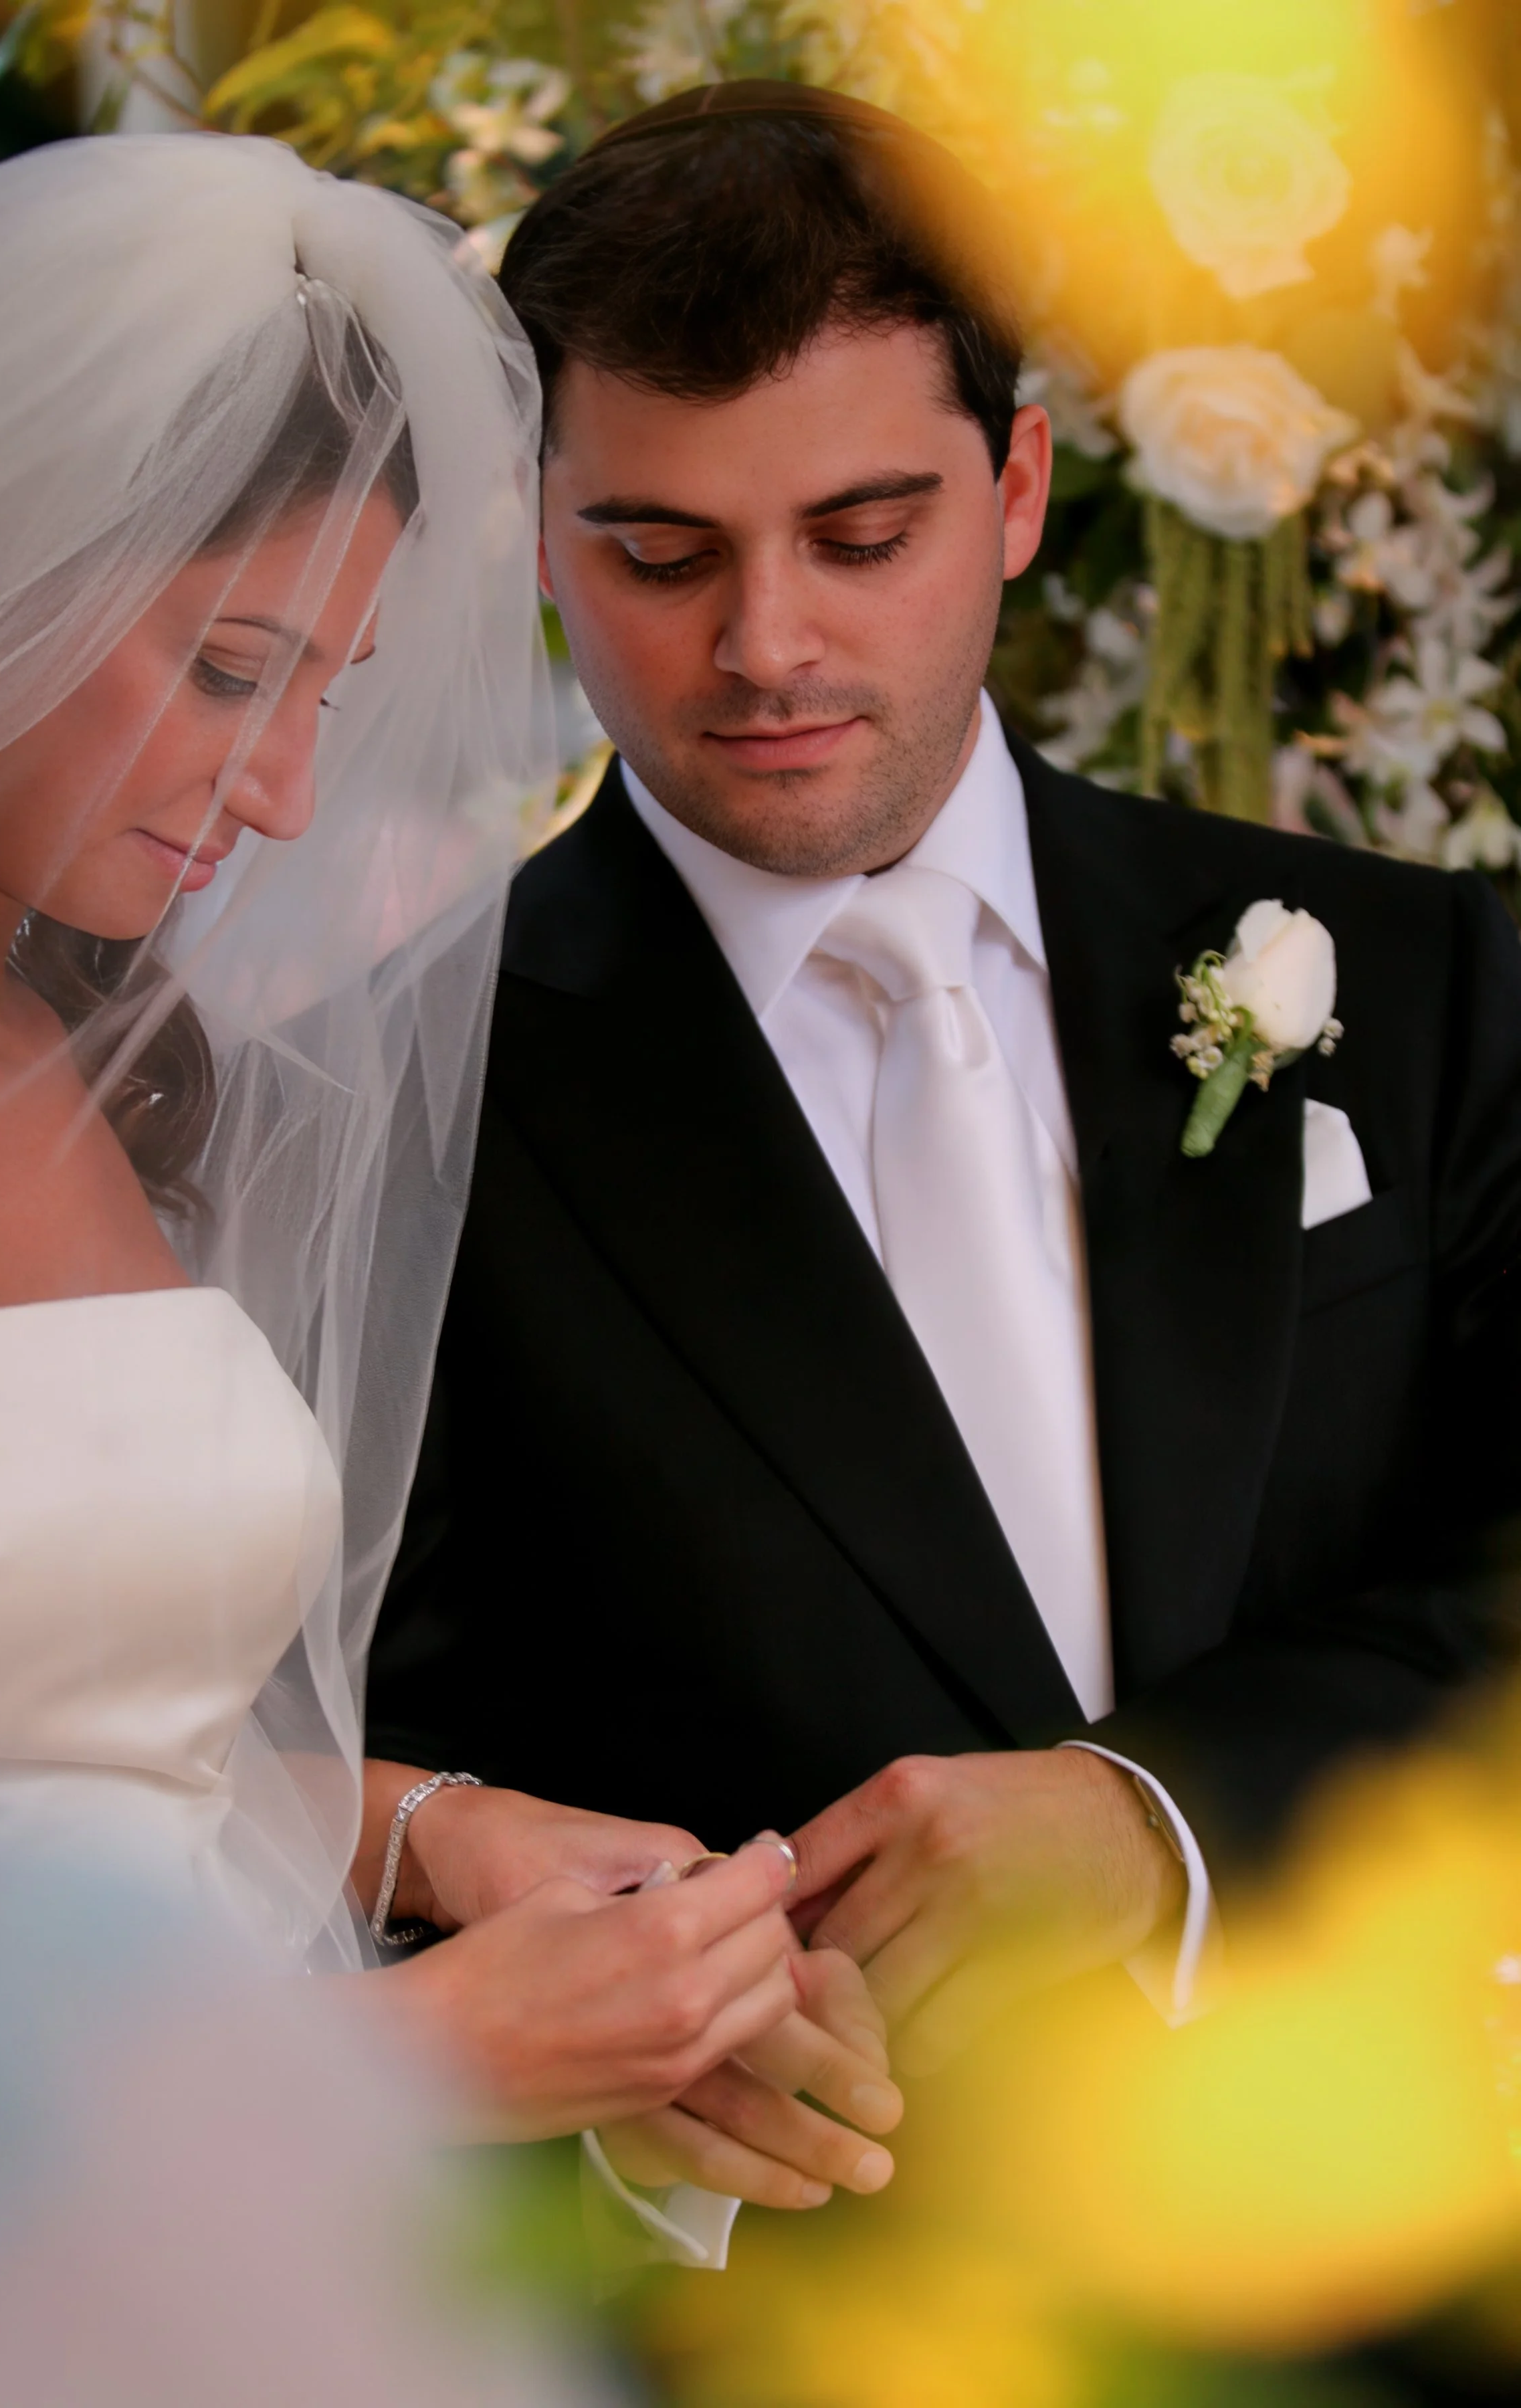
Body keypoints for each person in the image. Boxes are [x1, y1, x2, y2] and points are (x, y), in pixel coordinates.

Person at [367, 81, 1521, 2068]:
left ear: (1018, 491)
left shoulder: (1425, 974)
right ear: (544, 545)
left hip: (1387, 2166)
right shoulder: (400, 1094)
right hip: (790, 2222)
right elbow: (340, 1770)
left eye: (863, 536)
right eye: (661, 555)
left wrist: (1158, 1823)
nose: (767, 644)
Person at [0, 129, 900, 2223]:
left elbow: (59, 1744)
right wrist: (404, 2055)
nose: (282, 795)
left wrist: (439, 1834)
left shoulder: (93, 1072)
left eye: (326, 696)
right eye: (229, 670)